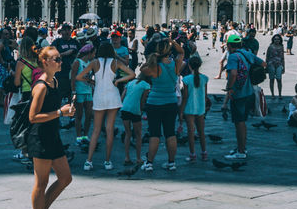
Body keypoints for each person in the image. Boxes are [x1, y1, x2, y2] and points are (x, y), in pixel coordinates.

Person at [26, 46, 73, 209]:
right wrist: (60, 112)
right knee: (41, 182)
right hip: (40, 137)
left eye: (60, 59)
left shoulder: (54, 81)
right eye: (56, 59)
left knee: (65, 178)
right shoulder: (41, 86)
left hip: (53, 135)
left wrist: (65, 111)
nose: (60, 62)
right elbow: (33, 117)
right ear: (45, 62)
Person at [77, 40, 133, 171]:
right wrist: (118, 80)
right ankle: (107, 161)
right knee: (109, 129)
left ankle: (88, 161)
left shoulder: (95, 63)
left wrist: (90, 81)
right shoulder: (115, 62)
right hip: (112, 95)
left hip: (99, 96)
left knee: (96, 130)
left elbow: (79, 77)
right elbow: (132, 74)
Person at [141, 36, 184, 171]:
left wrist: (154, 57)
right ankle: (171, 163)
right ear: (169, 51)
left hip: (154, 103)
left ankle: (149, 163)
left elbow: (142, 69)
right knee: (170, 133)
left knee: (154, 134)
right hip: (171, 102)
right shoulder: (176, 64)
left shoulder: (154, 67)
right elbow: (182, 52)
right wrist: (173, 43)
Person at [223, 32, 258, 161]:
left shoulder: (233, 57)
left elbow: (232, 73)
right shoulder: (247, 53)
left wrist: (229, 88)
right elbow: (263, 64)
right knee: (242, 122)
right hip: (249, 93)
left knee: (239, 123)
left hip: (238, 94)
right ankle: (241, 147)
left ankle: (241, 151)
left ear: (229, 45)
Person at [180, 54, 208, 162]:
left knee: (190, 132)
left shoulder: (186, 79)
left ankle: (192, 154)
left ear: (189, 66)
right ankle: (204, 153)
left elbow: (185, 97)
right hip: (200, 108)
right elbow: (205, 96)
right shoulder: (204, 78)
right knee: (201, 132)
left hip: (189, 108)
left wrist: (181, 111)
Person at [265, 33, 285, 98]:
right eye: (275, 39)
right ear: (273, 40)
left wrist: (284, 67)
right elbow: (267, 57)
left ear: (280, 40)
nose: (277, 40)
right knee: (272, 79)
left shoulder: (281, 47)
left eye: (278, 39)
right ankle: (272, 94)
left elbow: (282, 57)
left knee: (279, 79)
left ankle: (280, 94)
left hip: (279, 64)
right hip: (271, 64)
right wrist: (266, 66)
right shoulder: (270, 47)